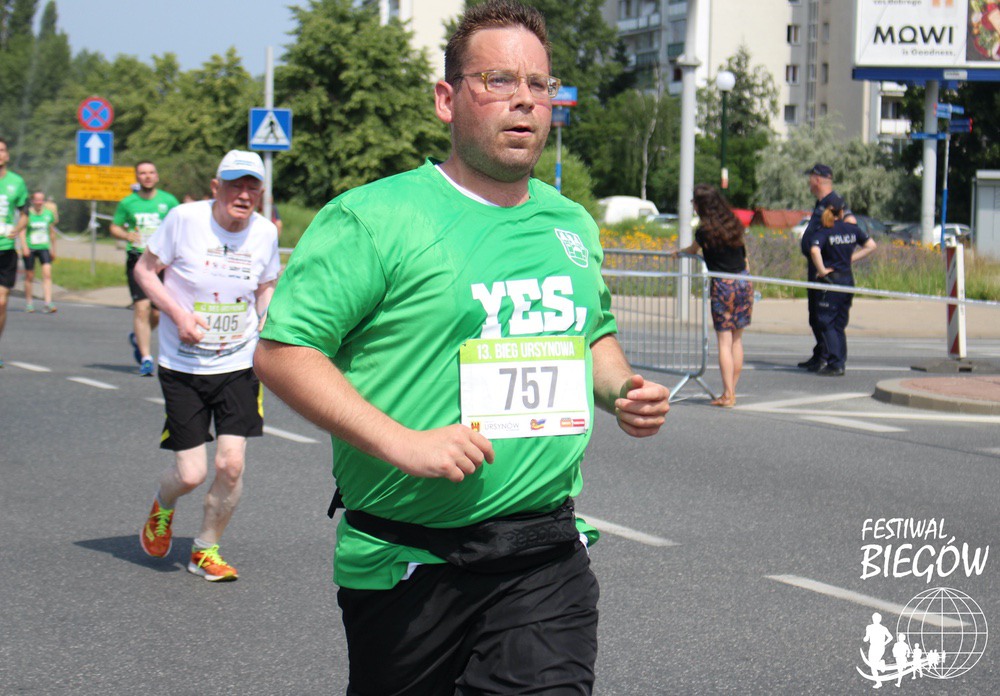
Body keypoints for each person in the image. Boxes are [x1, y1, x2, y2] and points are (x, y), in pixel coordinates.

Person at [253, 2, 671, 693]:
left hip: (544, 552)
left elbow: (589, 332)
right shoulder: (374, 218)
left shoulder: (570, 223)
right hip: (407, 557)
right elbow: (284, 351)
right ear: (447, 100)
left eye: (539, 84)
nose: (524, 100)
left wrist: (622, 390)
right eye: (498, 80)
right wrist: (402, 443)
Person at [134, 150, 280, 582]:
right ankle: (163, 503)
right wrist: (178, 315)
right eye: (235, 185)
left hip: (238, 363)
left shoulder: (265, 233)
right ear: (217, 188)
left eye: (252, 187)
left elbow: (266, 285)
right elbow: (145, 271)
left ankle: (204, 549)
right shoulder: (184, 219)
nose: (244, 195)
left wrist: (268, 320)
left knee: (230, 465)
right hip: (184, 365)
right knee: (191, 473)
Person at [672, 183, 752, 407]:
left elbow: (692, 250)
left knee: (724, 342)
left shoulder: (705, 231)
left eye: (694, 202)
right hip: (743, 280)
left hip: (723, 285)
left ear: (701, 205)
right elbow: (744, 255)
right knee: (737, 340)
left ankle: (728, 394)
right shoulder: (733, 223)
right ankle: (731, 390)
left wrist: (678, 253)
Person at [110, 161, 180, 376]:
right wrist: (126, 234)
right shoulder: (127, 202)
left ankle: (138, 336)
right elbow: (114, 226)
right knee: (142, 308)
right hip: (138, 260)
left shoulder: (169, 201)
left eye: (151, 173)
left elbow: (180, 226)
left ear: (156, 176)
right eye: (142, 173)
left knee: (157, 312)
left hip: (163, 262)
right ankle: (147, 358)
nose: (147, 176)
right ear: (137, 177)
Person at [808, 197, 876, 376]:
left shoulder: (825, 230)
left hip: (832, 282)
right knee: (839, 324)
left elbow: (814, 250)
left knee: (827, 322)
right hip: (847, 280)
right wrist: (850, 259)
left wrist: (822, 270)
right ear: (842, 212)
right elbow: (871, 245)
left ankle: (835, 363)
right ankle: (839, 362)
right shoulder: (852, 229)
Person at [798, 163, 855, 372]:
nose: (809, 182)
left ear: (817, 179)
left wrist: (840, 253)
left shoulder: (834, 202)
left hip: (827, 269)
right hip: (816, 268)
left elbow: (851, 224)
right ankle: (820, 353)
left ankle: (830, 357)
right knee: (814, 315)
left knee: (825, 317)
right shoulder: (821, 203)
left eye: (810, 178)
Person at [0, 137, 30, 368]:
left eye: (2, 150)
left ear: (7, 155)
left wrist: (17, 229)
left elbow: (24, 214)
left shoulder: (16, 182)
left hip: (6, 250)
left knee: (1, 302)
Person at [20, 191, 58, 313]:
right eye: (37, 200)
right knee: (29, 276)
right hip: (30, 247)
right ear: (33, 201)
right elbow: (22, 231)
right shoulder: (27, 214)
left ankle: (48, 302)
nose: (39, 202)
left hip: (44, 247)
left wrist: (53, 249)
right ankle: (29, 303)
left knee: (47, 274)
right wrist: (24, 247)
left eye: (41, 200)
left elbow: (52, 232)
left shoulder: (48, 214)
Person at [863, 612, 894, 688]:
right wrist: (884, 643)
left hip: (877, 647)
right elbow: (867, 637)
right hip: (876, 647)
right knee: (872, 665)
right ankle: (878, 680)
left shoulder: (873, 628)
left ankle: (881, 664)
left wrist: (884, 643)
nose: (875, 619)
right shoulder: (872, 628)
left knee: (873, 665)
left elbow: (890, 637)